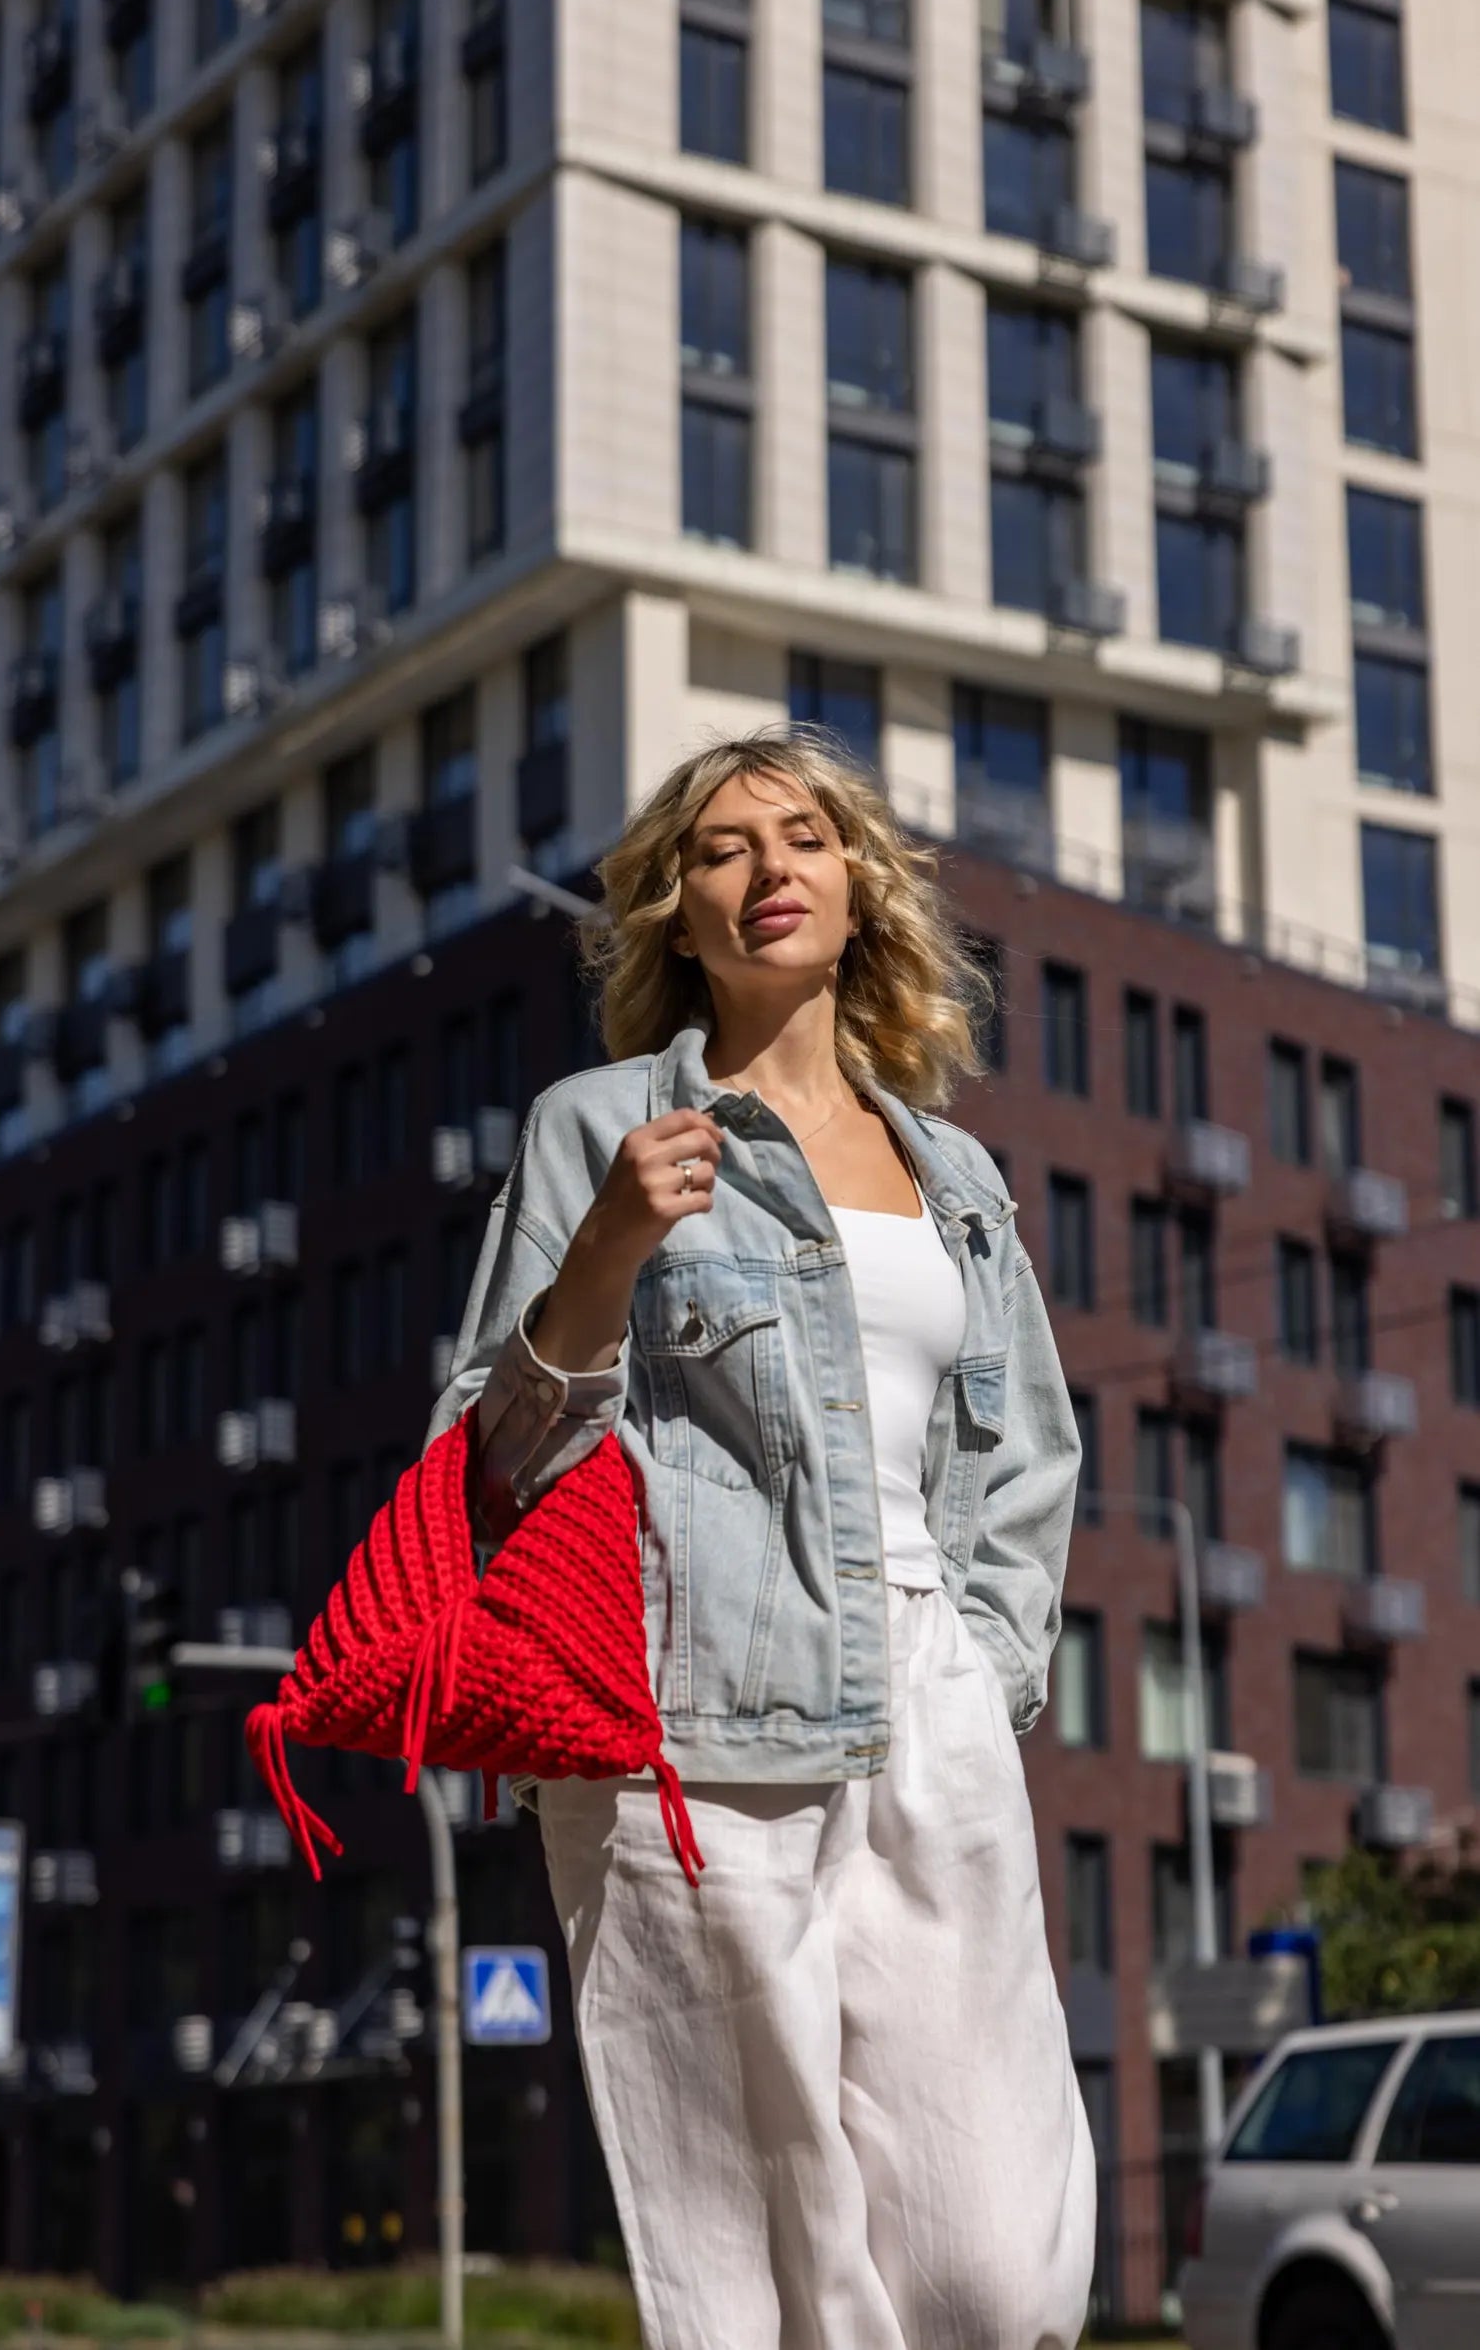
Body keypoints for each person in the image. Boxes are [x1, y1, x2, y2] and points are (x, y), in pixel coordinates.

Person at [424, 727, 1095, 2350]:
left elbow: (1024, 1458)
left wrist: (983, 1672)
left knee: (994, 2267)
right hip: (689, 1719)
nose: (768, 868)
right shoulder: (599, 1129)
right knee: (755, 2257)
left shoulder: (958, 1176)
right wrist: (603, 1255)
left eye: (803, 837)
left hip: (929, 1710)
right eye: (722, 850)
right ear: (678, 912)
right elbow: (486, 1462)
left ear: (860, 889)